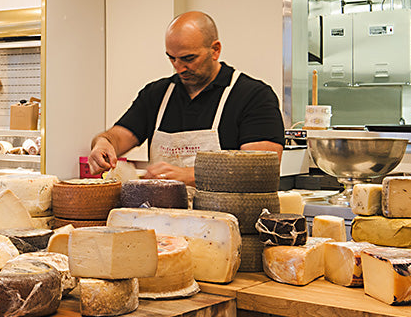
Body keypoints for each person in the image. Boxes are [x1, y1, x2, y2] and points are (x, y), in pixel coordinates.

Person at [88, 11, 284, 186]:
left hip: (226, 221)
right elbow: (116, 137)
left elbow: (261, 170)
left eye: (188, 59)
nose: (179, 68)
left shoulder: (253, 96)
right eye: (172, 58)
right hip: (162, 219)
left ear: (215, 50)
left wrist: (191, 175)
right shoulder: (156, 94)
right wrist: (103, 144)